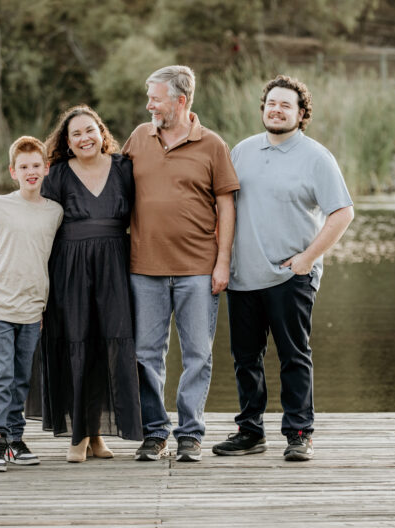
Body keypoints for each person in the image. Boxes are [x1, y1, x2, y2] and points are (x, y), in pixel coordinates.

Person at [211, 75, 354, 461]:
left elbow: (342, 212)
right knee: (245, 359)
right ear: (263, 109)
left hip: (291, 278)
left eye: (285, 104)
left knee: (294, 356)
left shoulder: (316, 157)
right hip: (243, 277)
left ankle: (299, 432)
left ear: (301, 113)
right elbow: (224, 208)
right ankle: (250, 431)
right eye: (271, 103)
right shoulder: (241, 151)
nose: (276, 109)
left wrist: (307, 259)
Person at [122, 65, 239, 462]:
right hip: (144, 269)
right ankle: (155, 432)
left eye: (155, 97)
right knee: (144, 354)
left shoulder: (213, 145)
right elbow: (111, 185)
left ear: (181, 101)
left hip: (198, 270)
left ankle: (190, 433)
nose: (149, 104)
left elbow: (227, 205)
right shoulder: (139, 137)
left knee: (198, 355)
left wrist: (222, 263)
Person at [25, 105, 142, 462]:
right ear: (67, 142)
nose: (84, 138)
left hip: (115, 268)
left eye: (89, 130)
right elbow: (37, 226)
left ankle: (96, 436)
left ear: (101, 132)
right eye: (75, 134)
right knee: (76, 345)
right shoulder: (57, 174)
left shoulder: (124, 168)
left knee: (107, 347)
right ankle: (76, 436)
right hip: (69, 270)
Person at [0, 136, 63, 471]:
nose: (31, 172)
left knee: (21, 377)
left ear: (46, 168)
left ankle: (14, 437)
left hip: (32, 311)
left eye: (36, 166)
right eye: (24, 167)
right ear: (13, 171)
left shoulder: (55, 212)